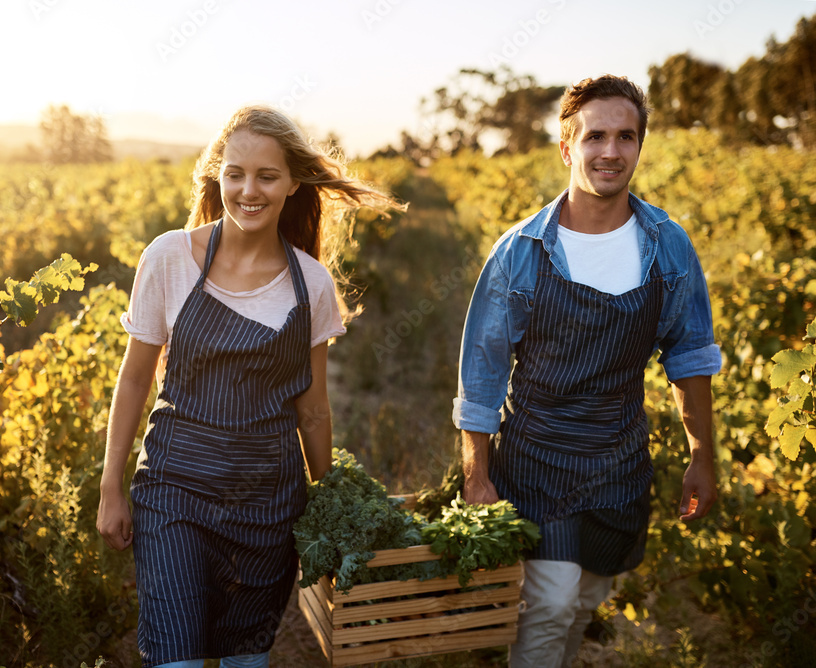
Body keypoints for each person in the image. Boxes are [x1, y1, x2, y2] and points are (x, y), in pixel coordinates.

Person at [96, 105, 399, 668]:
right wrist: (112, 485)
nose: (248, 190)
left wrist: (326, 499)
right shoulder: (169, 258)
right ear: (217, 176)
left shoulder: (309, 281)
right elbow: (135, 376)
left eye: (266, 176)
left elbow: (313, 409)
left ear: (291, 184)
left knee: (244, 661)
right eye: (235, 173)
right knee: (176, 658)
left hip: (267, 504)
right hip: (174, 490)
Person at [452, 75, 721, 667]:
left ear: (639, 146)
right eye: (595, 135)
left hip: (619, 461)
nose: (611, 151)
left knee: (583, 603)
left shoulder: (667, 246)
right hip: (536, 460)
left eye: (626, 136)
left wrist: (703, 456)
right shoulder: (521, 250)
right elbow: (483, 374)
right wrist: (477, 473)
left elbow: (691, 357)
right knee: (548, 603)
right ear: (567, 148)